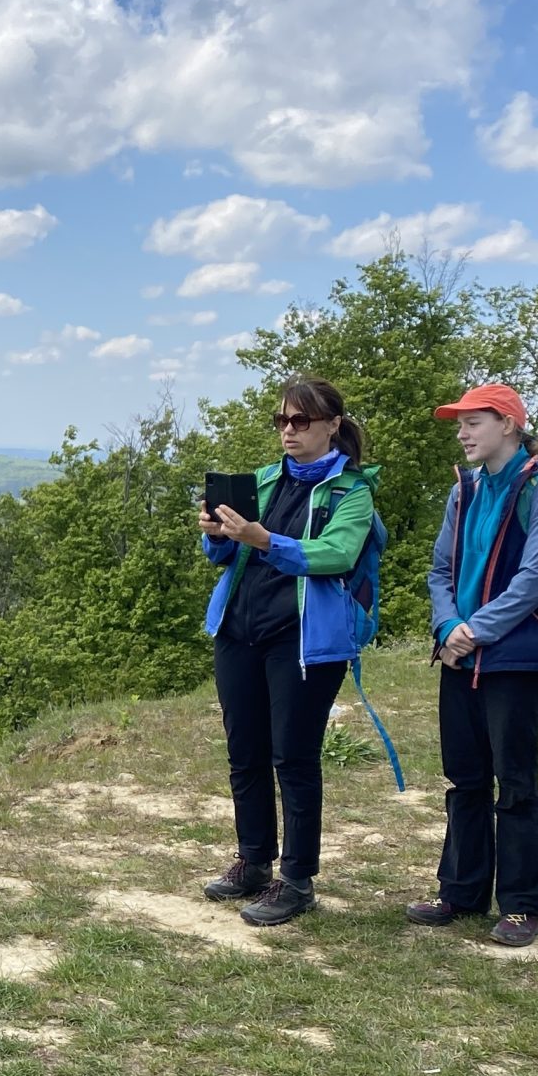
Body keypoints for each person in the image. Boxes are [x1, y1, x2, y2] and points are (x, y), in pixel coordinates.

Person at [198, 378, 381, 928]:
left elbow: (336, 554)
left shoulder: (352, 492)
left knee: (294, 758)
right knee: (245, 752)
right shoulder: (263, 480)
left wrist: (263, 539)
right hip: (239, 630)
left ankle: (297, 880)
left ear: (332, 425)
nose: (288, 430)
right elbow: (223, 558)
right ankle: (253, 861)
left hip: (305, 640)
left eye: (301, 421)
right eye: (282, 420)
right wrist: (217, 534)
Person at [408, 384, 538, 948]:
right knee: (463, 777)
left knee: (515, 780)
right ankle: (460, 891)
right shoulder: (463, 490)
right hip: (459, 653)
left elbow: (535, 579)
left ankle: (523, 904)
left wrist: (473, 630)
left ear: (508, 424)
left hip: (515, 656)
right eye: (459, 423)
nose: (462, 433)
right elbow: (440, 571)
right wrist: (447, 627)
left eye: (474, 422)